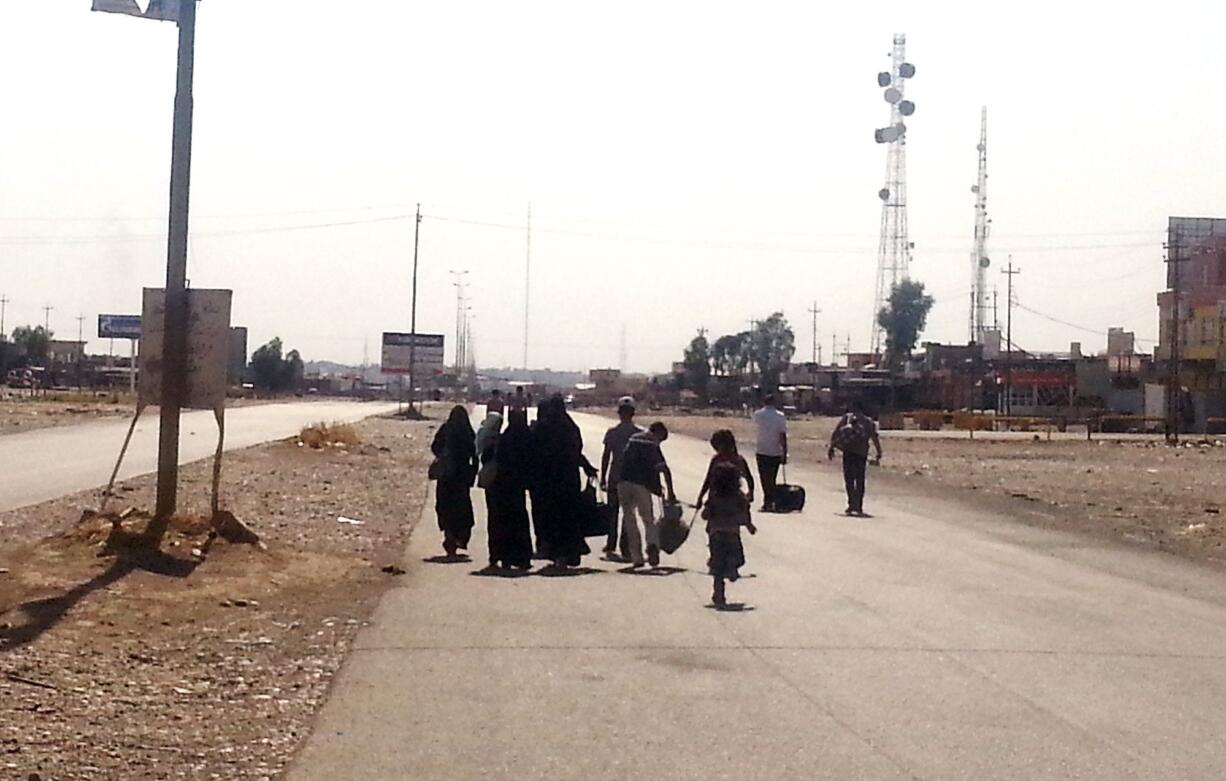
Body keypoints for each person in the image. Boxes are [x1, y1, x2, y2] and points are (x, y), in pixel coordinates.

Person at [530, 394, 597, 569]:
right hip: (568, 480)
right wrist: (586, 467)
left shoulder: (543, 427)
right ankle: (569, 553)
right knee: (568, 517)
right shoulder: (571, 427)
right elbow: (576, 451)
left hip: (548, 481)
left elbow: (533, 451)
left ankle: (556, 552)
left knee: (552, 517)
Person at [618, 421, 677, 568]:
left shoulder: (633, 439)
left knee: (629, 519)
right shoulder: (651, 442)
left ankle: (637, 557)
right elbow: (664, 468)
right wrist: (670, 492)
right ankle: (652, 546)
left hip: (623, 482)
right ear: (659, 433)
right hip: (641, 485)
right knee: (648, 519)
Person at [702, 462, 757, 607]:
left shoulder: (714, 496)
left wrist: (708, 514)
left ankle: (718, 593)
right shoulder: (739, 497)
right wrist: (749, 526)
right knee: (738, 557)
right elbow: (745, 512)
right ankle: (732, 567)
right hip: (732, 533)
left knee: (717, 566)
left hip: (715, 534)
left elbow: (705, 514)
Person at [486, 409, 534, 570]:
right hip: (517, 487)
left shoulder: (503, 438)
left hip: (501, 486)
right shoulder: (527, 438)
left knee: (500, 520)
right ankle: (521, 557)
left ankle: (501, 556)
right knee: (519, 521)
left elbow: (487, 457)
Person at [431, 405, 479, 557]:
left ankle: (449, 536)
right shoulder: (467, 431)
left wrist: (444, 456)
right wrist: (472, 474)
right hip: (461, 477)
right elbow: (475, 453)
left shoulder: (446, 429)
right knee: (462, 509)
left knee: (445, 506)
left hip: (446, 476)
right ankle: (459, 538)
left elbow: (435, 447)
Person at [599, 396, 642, 559]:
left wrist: (603, 477)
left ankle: (611, 543)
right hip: (631, 478)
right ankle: (626, 547)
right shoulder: (639, 434)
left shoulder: (612, 433)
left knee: (613, 512)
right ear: (633, 413)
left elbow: (606, 456)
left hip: (615, 477)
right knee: (628, 514)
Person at [827, 401, 883, 516]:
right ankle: (859, 505)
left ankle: (851, 503)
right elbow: (874, 438)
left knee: (849, 479)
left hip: (848, 452)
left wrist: (832, 447)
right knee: (860, 480)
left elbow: (836, 433)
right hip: (861, 454)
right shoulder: (869, 422)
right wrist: (878, 452)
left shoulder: (847, 418)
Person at [695, 429, 755, 510]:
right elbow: (749, 479)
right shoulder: (737, 460)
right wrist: (751, 493)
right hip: (724, 497)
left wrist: (700, 497)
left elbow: (708, 480)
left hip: (722, 497)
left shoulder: (720, 460)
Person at [753, 394, 788, 512]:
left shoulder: (758, 415)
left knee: (764, 477)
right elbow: (782, 435)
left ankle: (767, 501)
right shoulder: (780, 416)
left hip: (762, 450)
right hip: (775, 451)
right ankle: (770, 500)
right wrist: (784, 451)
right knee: (772, 478)